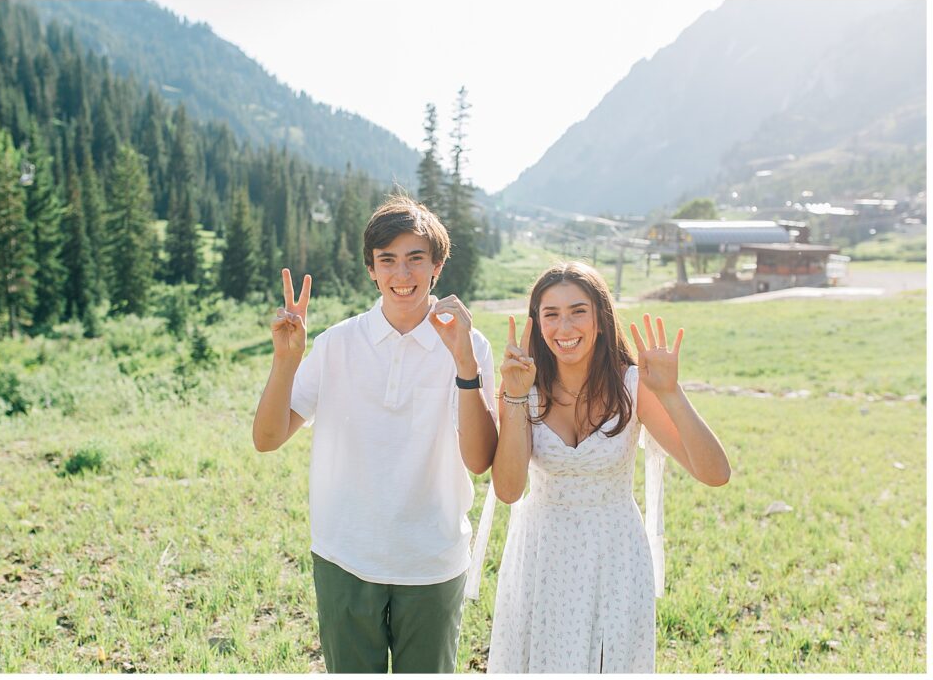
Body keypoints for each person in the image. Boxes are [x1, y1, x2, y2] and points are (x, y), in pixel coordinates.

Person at [252, 195, 498, 673]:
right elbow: (267, 438)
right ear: (371, 269)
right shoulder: (337, 343)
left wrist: (464, 362)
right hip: (345, 555)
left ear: (437, 266)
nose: (401, 275)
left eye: (415, 259)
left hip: (432, 560)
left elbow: (478, 459)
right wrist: (286, 361)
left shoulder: (471, 346)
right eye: (387, 260)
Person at [486, 261, 730, 673]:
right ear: (536, 324)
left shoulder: (633, 385)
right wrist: (512, 397)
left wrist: (671, 393)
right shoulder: (521, 386)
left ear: (600, 319)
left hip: (614, 551)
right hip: (542, 551)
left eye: (578, 311)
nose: (565, 327)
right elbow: (508, 490)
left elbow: (715, 473)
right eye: (551, 315)